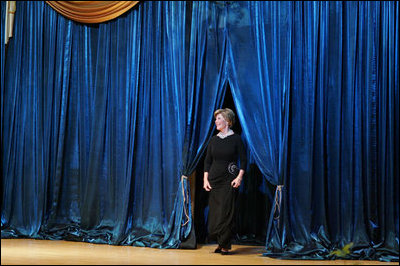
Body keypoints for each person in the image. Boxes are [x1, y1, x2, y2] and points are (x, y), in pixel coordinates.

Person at [203, 108, 247, 255]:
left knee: (226, 212)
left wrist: (239, 177)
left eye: (218, 119)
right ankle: (220, 242)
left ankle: (225, 245)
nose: (216, 121)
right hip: (214, 180)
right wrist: (205, 180)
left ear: (227, 121)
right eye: (216, 119)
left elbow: (244, 160)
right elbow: (207, 162)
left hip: (229, 179)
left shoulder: (236, 139)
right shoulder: (214, 139)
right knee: (216, 213)